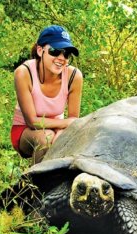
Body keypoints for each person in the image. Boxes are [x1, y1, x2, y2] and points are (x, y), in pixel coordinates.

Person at [10, 25, 83, 163]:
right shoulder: (24, 73)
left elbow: (73, 120)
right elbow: (32, 122)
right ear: (40, 50)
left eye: (66, 54)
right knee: (47, 137)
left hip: (57, 128)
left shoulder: (74, 76)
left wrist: (61, 133)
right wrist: (64, 124)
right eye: (55, 51)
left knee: (64, 139)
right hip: (25, 130)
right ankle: (33, 183)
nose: (61, 58)